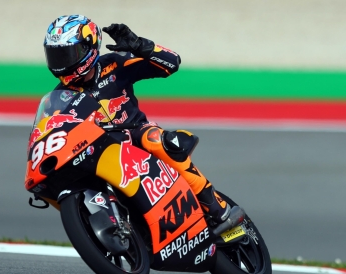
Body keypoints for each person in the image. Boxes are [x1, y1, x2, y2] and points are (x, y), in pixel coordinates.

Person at [43, 15, 243, 229]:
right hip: (99, 151)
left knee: (154, 139)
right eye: (56, 56)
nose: (62, 63)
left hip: (136, 134)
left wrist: (139, 45)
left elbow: (172, 63)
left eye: (67, 54)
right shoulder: (58, 99)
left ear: (89, 46)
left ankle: (219, 209)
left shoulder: (114, 63)